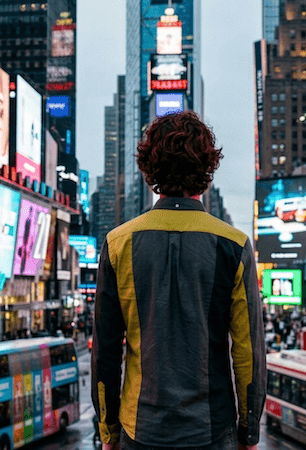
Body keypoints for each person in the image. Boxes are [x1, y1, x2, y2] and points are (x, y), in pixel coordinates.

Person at [92, 111, 266, 450]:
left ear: (149, 168)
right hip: (213, 432)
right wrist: (249, 431)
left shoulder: (118, 243)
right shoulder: (235, 245)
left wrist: (108, 431)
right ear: (207, 169)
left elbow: (105, 353)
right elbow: (248, 354)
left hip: (139, 432)